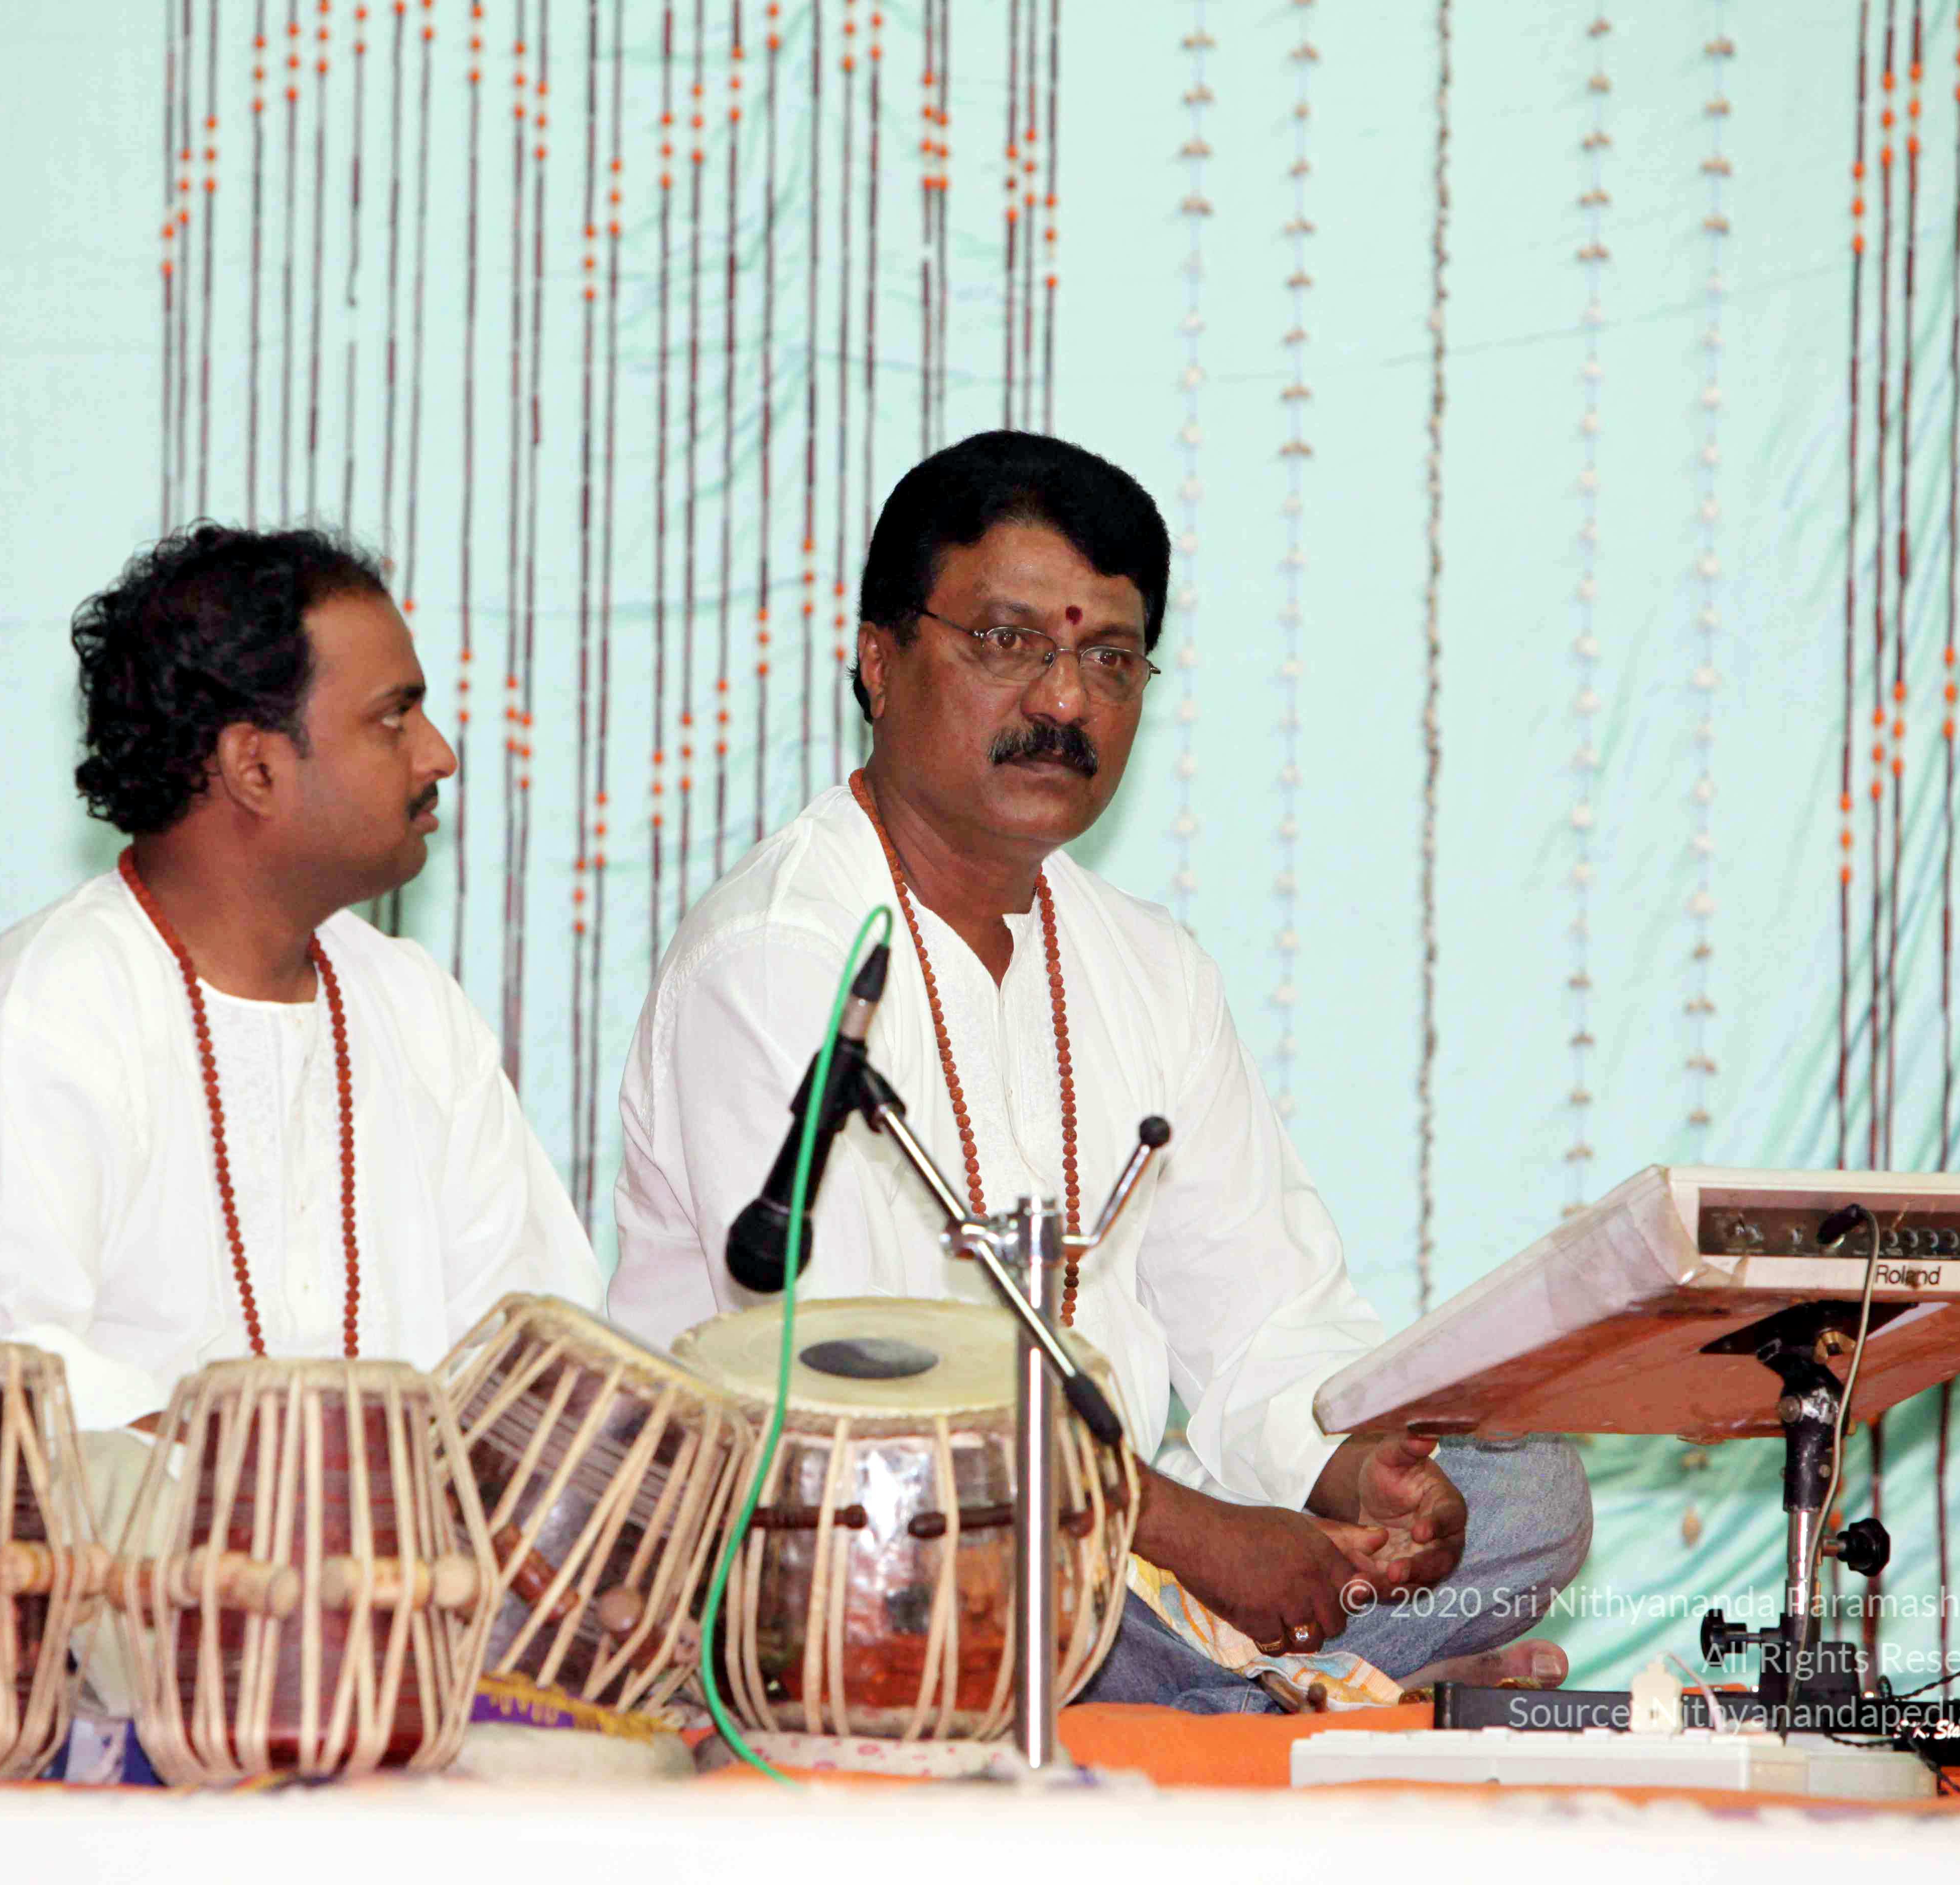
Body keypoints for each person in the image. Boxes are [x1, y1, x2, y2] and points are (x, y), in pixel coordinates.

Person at [610, 431, 1589, 1710]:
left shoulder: (1148, 965)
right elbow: (870, 1406)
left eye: (1112, 660)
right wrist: (1195, 1534)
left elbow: (1265, 1317)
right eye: (1008, 643)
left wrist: (1356, 1478)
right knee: (970, 1564)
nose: (1066, 703)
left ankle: (1244, 1700)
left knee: (1528, 1494)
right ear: (878, 661)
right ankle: (1273, 1707)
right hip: (851, 1560)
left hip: (1113, 1573)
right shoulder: (783, 954)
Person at [0, 522, 603, 1430]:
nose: (438, 755)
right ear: (255, 768)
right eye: (393, 718)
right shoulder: (44, 1019)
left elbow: (539, 1369)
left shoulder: (413, 1008)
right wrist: (291, 1484)